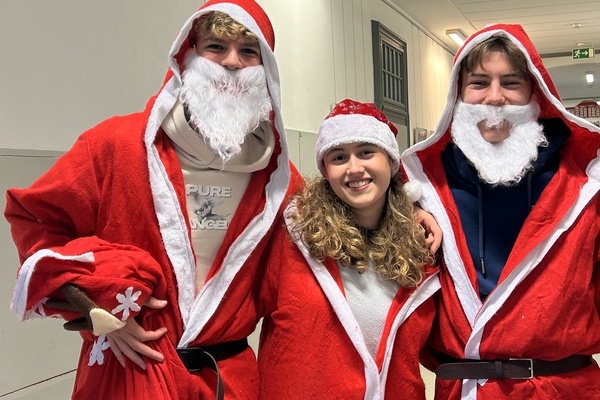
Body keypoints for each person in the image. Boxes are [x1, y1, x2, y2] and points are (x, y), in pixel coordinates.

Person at [4, 1, 303, 399]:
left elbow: (310, 278)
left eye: (249, 51)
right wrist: (96, 303)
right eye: (216, 47)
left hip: (228, 382)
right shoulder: (113, 146)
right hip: (127, 372)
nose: (232, 62)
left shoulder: (280, 181)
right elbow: (37, 221)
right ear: (187, 55)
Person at [401, 24, 600, 399]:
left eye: (510, 83)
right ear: (458, 94)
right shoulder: (423, 188)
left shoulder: (584, 188)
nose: (494, 98)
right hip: (464, 390)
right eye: (479, 83)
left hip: (562, 390)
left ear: (534, 94)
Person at [257, 99, 441, 399]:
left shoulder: (421, 246)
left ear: (390, 161)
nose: (354, 168)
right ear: (326, 170)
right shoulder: (294, 236)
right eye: (339, 157)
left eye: (366, 152)